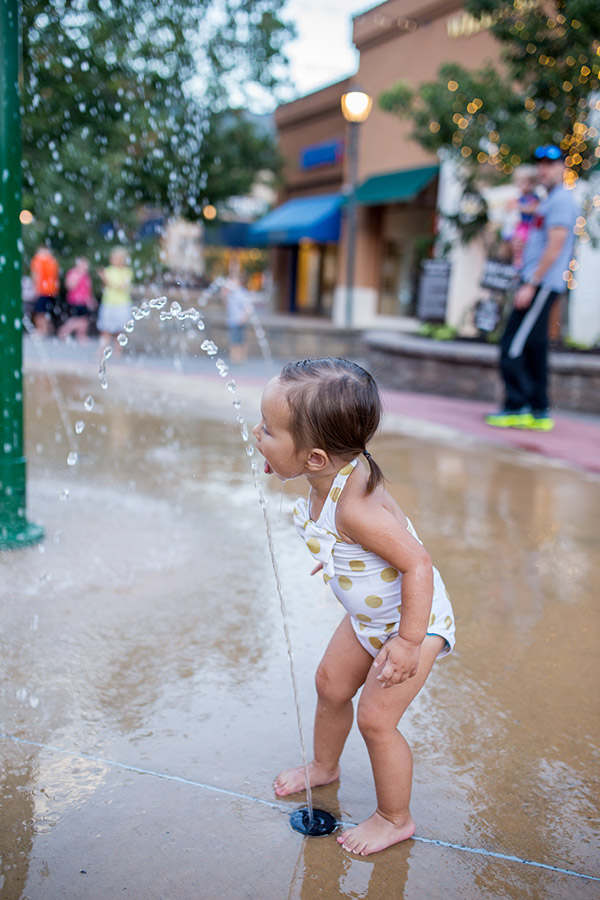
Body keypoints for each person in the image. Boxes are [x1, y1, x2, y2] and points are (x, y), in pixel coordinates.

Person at [252, 358, 455, 856]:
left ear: (315, 457)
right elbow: (351, 545)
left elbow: (418, 565)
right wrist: (338, 561)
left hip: (413, 623)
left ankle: (394, 817)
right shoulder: (330, 475)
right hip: (370, 618)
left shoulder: (356, 508)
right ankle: (325, 765)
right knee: (330, 684)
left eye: (268, 430)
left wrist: (408, 643)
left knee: (376, 721)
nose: (256, 434)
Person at [486, 145, 580, 432]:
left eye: (550, 164)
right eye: (540, 163)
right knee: (535, 346)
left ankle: (517, 406)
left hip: (539, 284)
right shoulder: (547, 200)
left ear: (563, 167)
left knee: (511, 345)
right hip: (537, 282)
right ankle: (539, 409)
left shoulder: (561, 200)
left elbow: (556, 245)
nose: (543, 169)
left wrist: (531, 282)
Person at [97, 247, 133, 354]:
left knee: (120, 330)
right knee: (105, 329)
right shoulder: (108, 270)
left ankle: (118, 352)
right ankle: (102, 351)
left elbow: (121, 287)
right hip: (108, 302)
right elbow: (104, 286)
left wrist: (105, 278)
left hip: (122, 304)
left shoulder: (127, 272)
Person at [58, 257, 97, 343]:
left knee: (84, 320)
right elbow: (69, 286)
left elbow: (88, 290)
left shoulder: (86, 276)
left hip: (83, 301)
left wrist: (91, 300)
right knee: (78, 319)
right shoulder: (73, 273)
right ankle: (64, 331)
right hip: (75, 300)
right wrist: (77, 277)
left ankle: (81, 336)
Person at [30, 246, 60, 336]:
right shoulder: (52, 261)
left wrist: (35, 288)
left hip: (42, 289)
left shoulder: (38, 260)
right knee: (46, 310)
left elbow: (36, 275)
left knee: (39, 311)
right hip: (51, 289)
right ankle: (46, 329)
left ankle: (41, 330)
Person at [223, 274, 251, 363]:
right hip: (232, 320)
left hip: (240, 320)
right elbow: (225, 304)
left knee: (240, 340)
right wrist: (224, 293)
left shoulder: (241, 292)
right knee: (234, 340)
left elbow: (247, 307)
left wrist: (244, 317)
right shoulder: (230, 293)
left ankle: (241, 358)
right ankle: (234, 358)